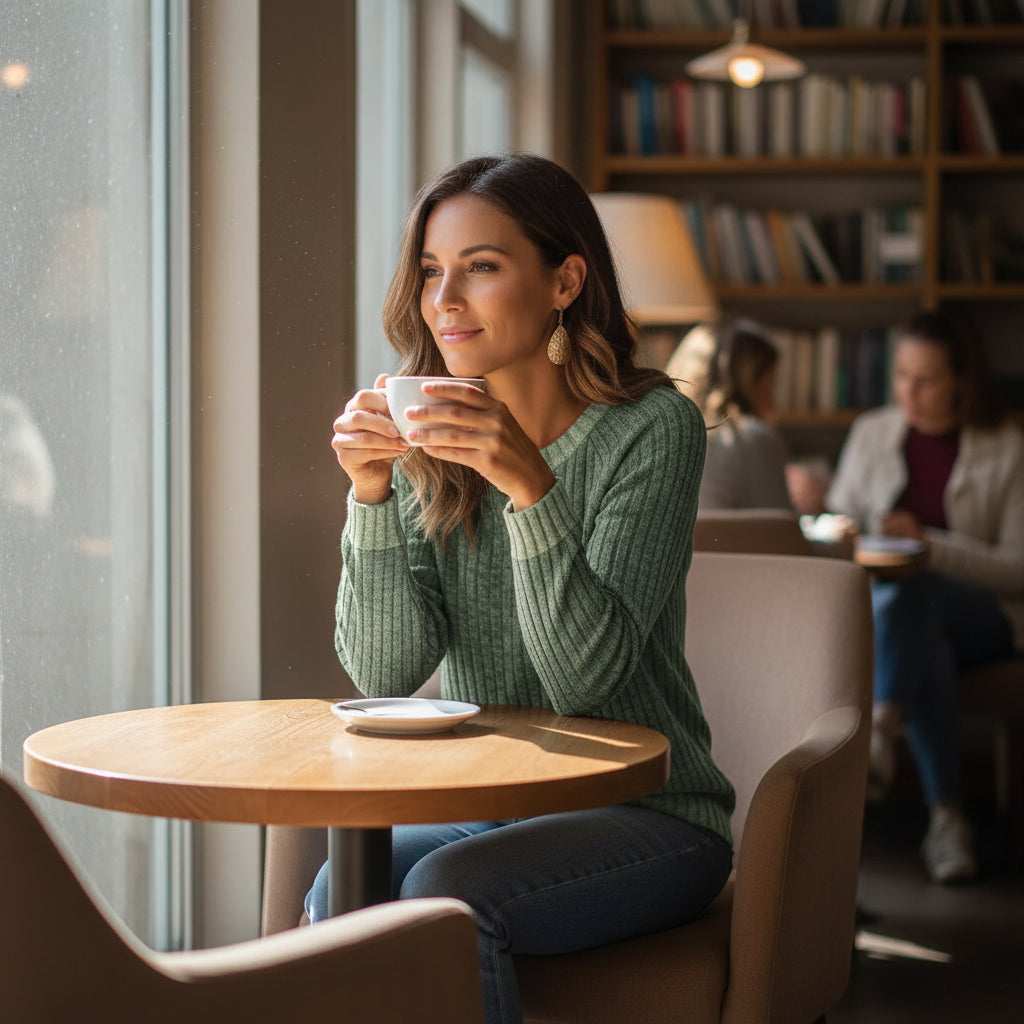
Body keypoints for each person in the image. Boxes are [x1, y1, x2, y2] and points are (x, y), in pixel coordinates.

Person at [310, 154, 735, 1023]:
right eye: (431, 270)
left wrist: (529, 486)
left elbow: (586, 681)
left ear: (565, 282)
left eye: (481, 267)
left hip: (651, 812)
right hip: (491, 805)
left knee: (447, 891)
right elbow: (385, 673)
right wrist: (371, 495)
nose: (444, 300)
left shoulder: (653, 428)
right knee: (338, 893)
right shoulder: (433, 431)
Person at [826, 310, 1024, 884]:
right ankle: (947, 819)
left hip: (985, 617)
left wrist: (929, 547)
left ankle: (879, 734)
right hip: (901, 619)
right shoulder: (872, 432)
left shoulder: (1008, 447)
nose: (908, 393)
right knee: (924, 638)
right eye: (901, 376)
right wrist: (840, 526)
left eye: (927, 380)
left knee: (920, 588)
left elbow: (1018, 568)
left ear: (962, 380)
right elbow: (839, 521)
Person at [666, 318, 795, 511]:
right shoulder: (749, 435)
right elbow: (779, 524)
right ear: (755, 381)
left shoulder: (667, 436)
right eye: (772, 381)